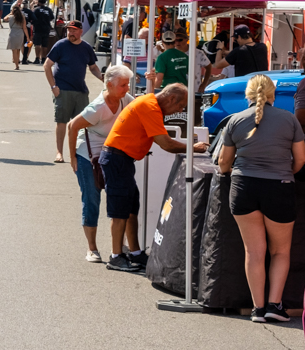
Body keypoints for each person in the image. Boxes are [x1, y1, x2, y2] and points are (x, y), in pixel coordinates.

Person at [219, 74, 305, 323]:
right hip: (278, 187)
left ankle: (257, 309)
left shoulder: (235, 120)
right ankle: (274, 305)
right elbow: (301, 160)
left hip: (244, 187)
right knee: (280, 251)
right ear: (273, 95)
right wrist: (283, 173)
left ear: (247, 95)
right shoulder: (289, 120)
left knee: (254, 251)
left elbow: (224, 163)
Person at [99, 84, 198, 272]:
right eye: (180, 105)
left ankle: (135, 253)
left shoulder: (149, 103)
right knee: (120, 210)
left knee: (130, 208)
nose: (180, 110)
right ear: (170, 99)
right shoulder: (150, 106)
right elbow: (165, 143)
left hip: (121, 159)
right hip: (117, 159)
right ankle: (115, 256)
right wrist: (193, 148)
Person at [68, 64, 135, 263]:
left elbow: (140, 109)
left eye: (127, 84)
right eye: (123, 85)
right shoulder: (98, 107)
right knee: (91, 200)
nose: (127, 88)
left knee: (118, 199)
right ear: (109, 85)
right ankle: (92, 248)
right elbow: (72, 126)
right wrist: (72, 158)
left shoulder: (125, 99)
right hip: (88, 156)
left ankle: (120, 244)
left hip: (112, 155)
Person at [44, 20, 102, 163]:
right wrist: (53, 87)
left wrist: (104, 79)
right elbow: (47, 65)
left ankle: (79, 152)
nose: (71, 33)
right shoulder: (61, 45)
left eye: (74, 30)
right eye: (69, 30)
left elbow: (93, 67)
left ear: (81, 32)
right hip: (62, 90)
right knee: (61, 121)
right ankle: (59, 152)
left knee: (81, 123)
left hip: (80, 91)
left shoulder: (86, 48)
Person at [29, 0, 54, 64]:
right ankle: (43, 59)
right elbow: (52, 18)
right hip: (46, 29)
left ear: (39, 2)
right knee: (44, 45)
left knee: (37, 44)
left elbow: (32, 18)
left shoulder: (36, 10)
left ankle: (37, 58)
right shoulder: (49, 10)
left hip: (38, 28)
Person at [6, 2, 27, 70]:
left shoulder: (10, 17)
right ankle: (17, 61)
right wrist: (28, 37)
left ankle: (16, 65)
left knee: (14, 50)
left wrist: (10, 13)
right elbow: (25, 28)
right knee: (18, 49)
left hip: (13, 33)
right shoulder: (22, 18)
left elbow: (4, 18)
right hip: (20, 33)